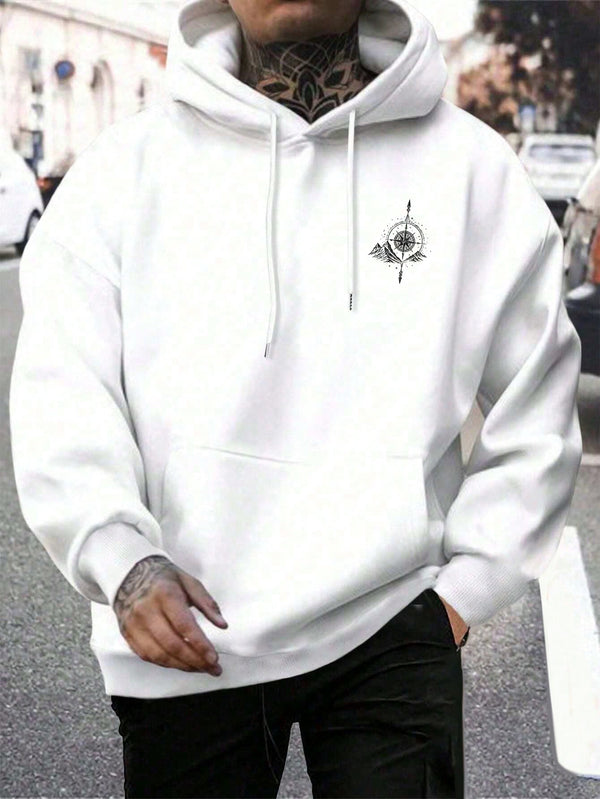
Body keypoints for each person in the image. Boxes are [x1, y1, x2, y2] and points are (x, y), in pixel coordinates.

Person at [9, 0, 583, 796]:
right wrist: (120, 556)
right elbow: (63, 390)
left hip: (394, 623)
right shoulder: (123, 172)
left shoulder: (471, 172)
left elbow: (538, 398)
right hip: (185, 627)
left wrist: (464, 591)